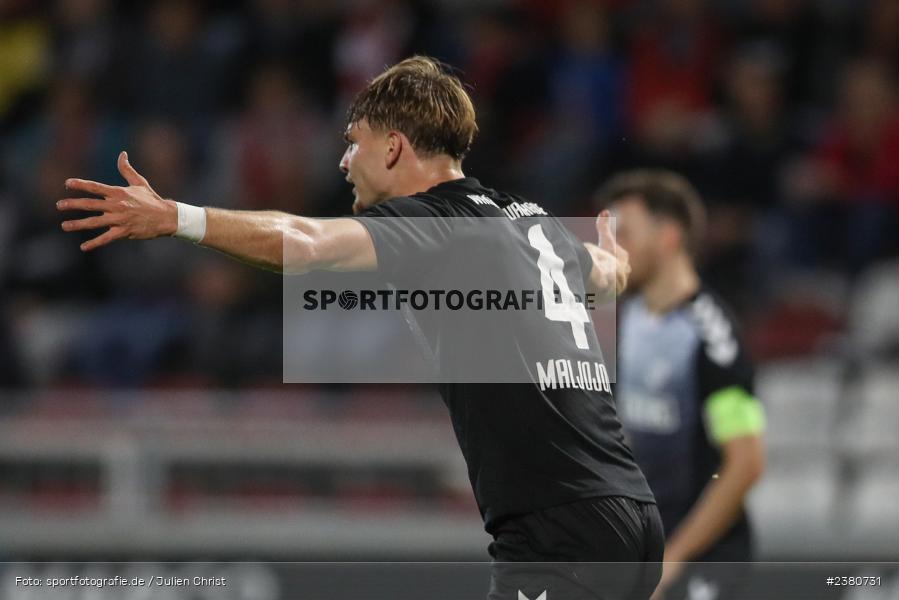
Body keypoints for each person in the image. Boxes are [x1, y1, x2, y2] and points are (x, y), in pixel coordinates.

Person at [58, 57, 663, 600]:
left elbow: (306, 241)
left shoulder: (437, 223)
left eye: (354, 143)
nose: (345, 161)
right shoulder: (530, 220)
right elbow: (606, 277)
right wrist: (617, 263)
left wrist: (177, 217)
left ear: (394, 147)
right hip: (628, 511)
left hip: (560, 527)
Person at [597, 170, 766, 600]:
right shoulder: (622, 324)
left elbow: (745, 463)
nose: (612, 248)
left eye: (626, 234)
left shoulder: (712, 337)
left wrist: (674, 558)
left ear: (669, 237)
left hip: (701, 564)